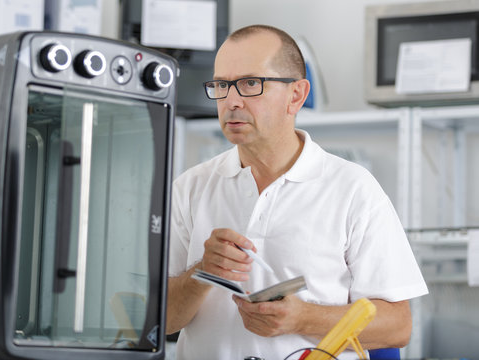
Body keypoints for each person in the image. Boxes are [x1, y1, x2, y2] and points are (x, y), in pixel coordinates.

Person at [166, 24, 428, 360]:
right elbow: (162, 322)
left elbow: (397, 327)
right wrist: (202, 273)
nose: (231, 101)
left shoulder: (353, 189)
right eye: (221, 85)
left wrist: (304, 317)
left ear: (296, 96)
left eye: (250, 84)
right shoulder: (190, 188)